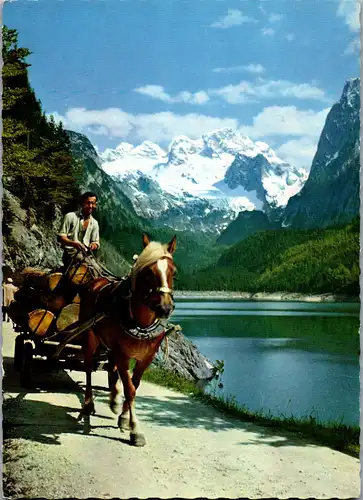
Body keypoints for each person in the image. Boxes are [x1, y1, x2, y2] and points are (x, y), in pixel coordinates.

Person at [58, 191, 102, 276]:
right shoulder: (70, 216)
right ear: (82, 203)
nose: (90, 206)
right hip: (70, 254)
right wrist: (73, 244)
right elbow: (61, 237)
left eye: (93, 204)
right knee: (88, 267)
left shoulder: (95, 223)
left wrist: (93, 245)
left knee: (98, 269)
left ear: (95, 205)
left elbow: (96, 242)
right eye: (88, 203)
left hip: (86, 255)